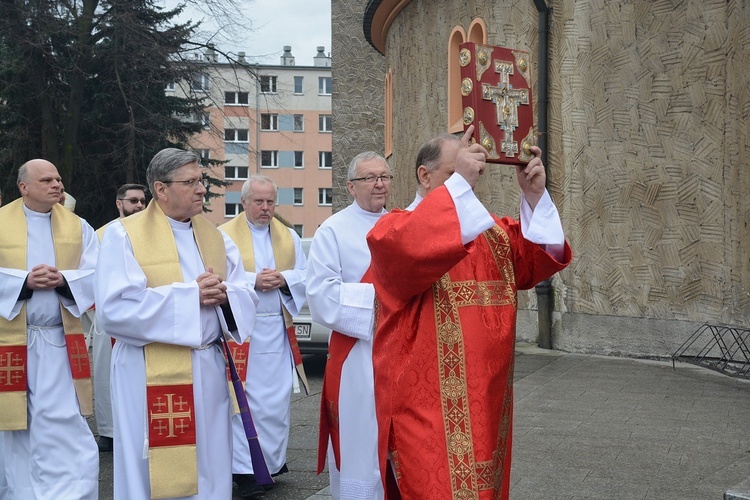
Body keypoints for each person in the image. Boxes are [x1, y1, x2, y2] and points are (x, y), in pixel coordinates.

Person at [366, 126, 572, 499]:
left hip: (488, 411)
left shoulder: (493, 235)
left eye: (472, 174)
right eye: (455, 173)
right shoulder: (391, 231)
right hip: (425, 414)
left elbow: (541, 258)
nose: (467, 184)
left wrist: (534, 196)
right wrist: (459, 183)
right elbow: (415, 247)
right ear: (424, 176)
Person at [95, 148, 258, 499]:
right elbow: (113, 311)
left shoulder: (215, 237)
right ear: (161, 189)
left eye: (201, 181)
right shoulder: (123, 236)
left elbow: (246, 293)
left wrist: (226, 295)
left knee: (210, 465)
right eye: (191, 182)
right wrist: (189, 296)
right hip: (147, 370)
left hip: (207, 369)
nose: (202, 189)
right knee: (154, 470)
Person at [0, 159, 99, 498]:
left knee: (64, 422)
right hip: (12, 344)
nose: (57, 184)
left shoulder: (78, 226)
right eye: (46, 180)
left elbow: (98, 272)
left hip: (60, 342)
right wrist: (22, 282)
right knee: (16, 428)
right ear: (23, 187)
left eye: (58, 178)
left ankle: (71, 491)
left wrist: (64, 280)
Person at [306, 152, 391, 500]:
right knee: (362, 439)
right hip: (358, 352)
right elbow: (320, 294)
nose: (379, 184)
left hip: (401, 351)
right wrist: (381, 299)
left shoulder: (401, 224)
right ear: (351, 187)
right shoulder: (333, 230)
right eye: (370, 178)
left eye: (384, 176)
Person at [219, 174, 307, 498]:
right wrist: (253, 279)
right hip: (242, 332)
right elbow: (216, 277)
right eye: (259, 201)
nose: (265, 208)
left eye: (270, 202)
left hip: (276, 330)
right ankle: (245, 471)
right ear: (243, 202)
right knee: (243, 402)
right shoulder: (223, 236)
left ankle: (271, 462)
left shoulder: (289, 237)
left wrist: (285, 279)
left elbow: (306, 274)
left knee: (277, 398)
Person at [81, 183, 148, 453]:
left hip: (142, 315)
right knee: (105, 372)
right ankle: (108, 431)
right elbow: (89, 275)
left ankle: (139, 426)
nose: (139, 206)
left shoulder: (151, 232)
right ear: (119, 203)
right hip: (108, 316)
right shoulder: (101, 235)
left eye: (143, 201)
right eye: (133, 201)